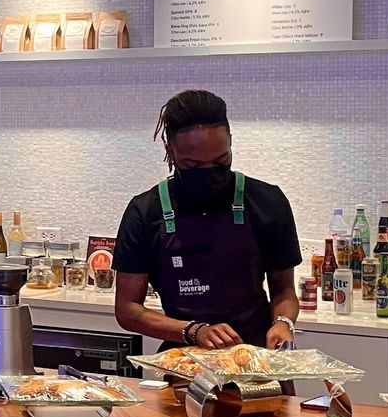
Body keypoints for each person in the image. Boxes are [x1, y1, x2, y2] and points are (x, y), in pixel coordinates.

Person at [112, 89, 303, 350]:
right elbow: (127, 310)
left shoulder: (267, 201)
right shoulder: (146, 212)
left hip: (257, 356)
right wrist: (192, 331)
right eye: (193, 166)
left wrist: (283, 322)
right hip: (183, 360)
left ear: (231, 142)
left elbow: (284, 291)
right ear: (170, 150)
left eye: (220, 160)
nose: (209, 173)